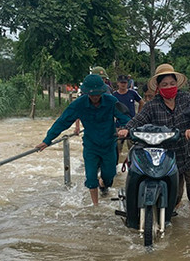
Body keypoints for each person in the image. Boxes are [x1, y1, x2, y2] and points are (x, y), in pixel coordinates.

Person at [117, 64, 190, 216]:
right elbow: (138, 120)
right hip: (168, 154)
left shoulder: (187, 98)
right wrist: (126, 129)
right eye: (164, 84)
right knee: (174, 194)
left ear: (177, 84)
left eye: (172, 83)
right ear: (158, 87)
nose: (169, 87)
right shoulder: (152, 106)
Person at [37, 74, 131, 206]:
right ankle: (96, 206)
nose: (95, 97)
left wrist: (125, 128)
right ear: (86, 93)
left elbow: (126, 117)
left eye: (98, 94)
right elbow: (62, 122)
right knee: (91, 178)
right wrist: (47, 140)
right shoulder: (78, 104)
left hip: (108, 145)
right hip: (91, 146)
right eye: (92, 95)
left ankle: (103, 183)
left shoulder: (111, 101)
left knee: (109, 176)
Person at [114, 74, 145, 165]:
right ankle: (116, 168)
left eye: (125, 83)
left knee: (132, 148)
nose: (123, 84)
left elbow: (141, 102)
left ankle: (132, 167)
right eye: (121, 83)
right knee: (116, 149)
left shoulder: (132, 93)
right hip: (118, 125)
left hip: (132, 124)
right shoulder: (114, 95)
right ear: (118, 83)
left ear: (127, 83)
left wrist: (138, 115)